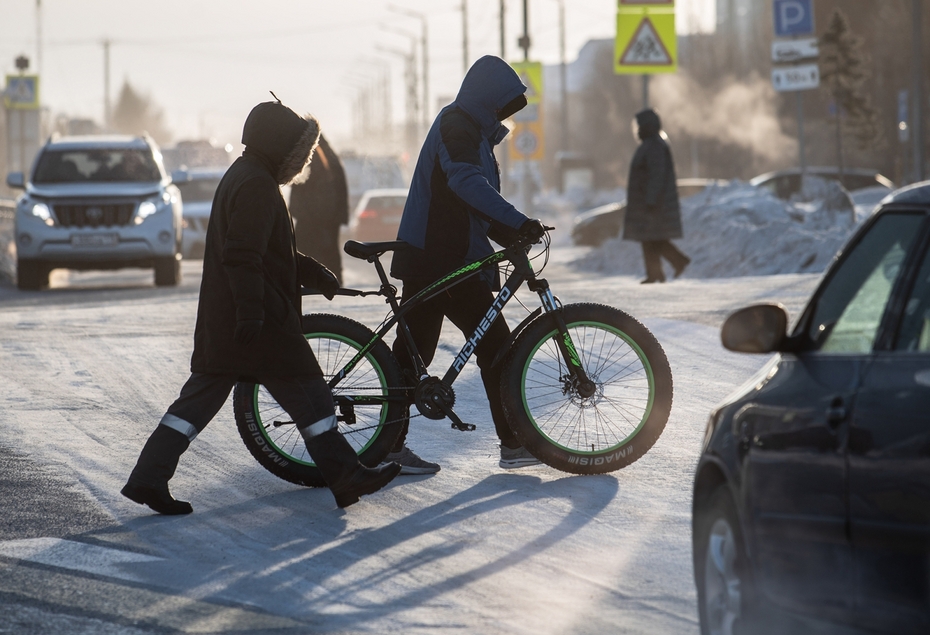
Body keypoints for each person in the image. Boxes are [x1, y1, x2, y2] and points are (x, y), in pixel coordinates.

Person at [121, 99, 400, 515]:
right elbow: (242, 257)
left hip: (232, 321)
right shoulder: (255, 185)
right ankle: (345, 476)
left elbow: (271, 252)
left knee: (196, 405)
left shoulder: (249, 176)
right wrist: (252, 312)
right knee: (310, 392)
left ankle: (148, 477)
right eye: (298, 154)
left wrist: (314, 272)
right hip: (259, 321)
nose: (301, 163)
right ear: (279, 149)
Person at [388, 55, 545, 474]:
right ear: (488, 98)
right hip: (439, 259)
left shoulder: (471, 131)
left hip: (444, 258)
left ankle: (388, 446)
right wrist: (517, 221)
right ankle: (512, 444)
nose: (502, 113)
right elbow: (464, 182)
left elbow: (471, 205)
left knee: (419, 352)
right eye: (501, 104)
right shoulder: (457, 125)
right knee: (490, 348)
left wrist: (512, 232)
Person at [623, 108, 690, 284]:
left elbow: (657, 175)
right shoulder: (651, 144)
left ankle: (677, 262)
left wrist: (651, 199)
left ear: (646, 126)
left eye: (639, 125)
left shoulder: (654, 146)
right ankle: (657, 273)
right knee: (650, 240)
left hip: (653, 205)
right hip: (649, 203)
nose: (637, 129)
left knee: (653, 239)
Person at [288, 134, 349, 283]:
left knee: (306, 260)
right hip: (329, 223)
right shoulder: (332, 160)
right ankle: (334, 286)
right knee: (330, 260)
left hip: (311, 224)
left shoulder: (307, 159)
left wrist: (300, 214)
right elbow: (341, 193)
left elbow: (297, 196)